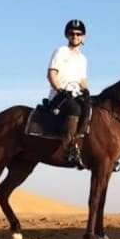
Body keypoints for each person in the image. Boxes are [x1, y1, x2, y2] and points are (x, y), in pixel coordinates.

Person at [47, 19, 90, 166]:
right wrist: (61, 90)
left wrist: (86, 92)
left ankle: (82, 147)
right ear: (67, 35)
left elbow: (82, 81)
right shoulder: (60, 51)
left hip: (76, 94)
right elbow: (51, 75)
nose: (75, 36)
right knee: (75, 108)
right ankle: (69, 147)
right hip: (59, 96)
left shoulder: (83, 59)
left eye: (79, 34)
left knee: (89, 108)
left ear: (83, 37)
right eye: (72, 33)